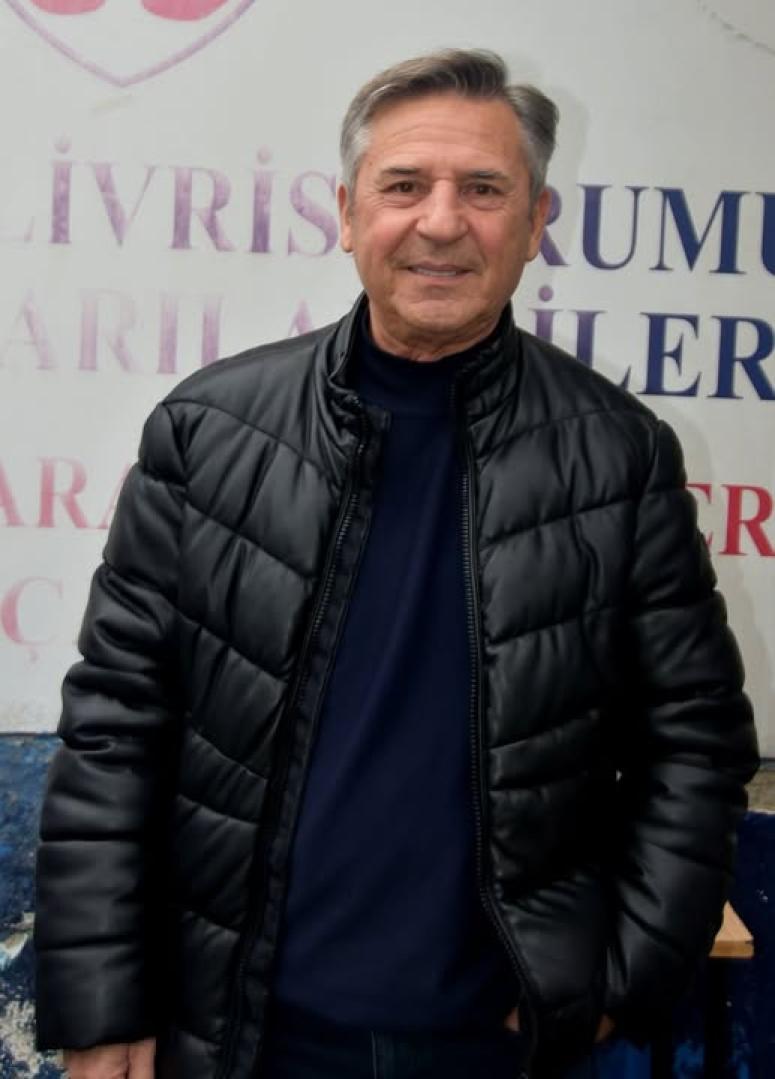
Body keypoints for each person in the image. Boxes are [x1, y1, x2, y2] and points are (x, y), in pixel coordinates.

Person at [34, 49, 758, 1079]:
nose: (440, 222)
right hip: (239, 1035)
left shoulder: (618, 456)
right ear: (346, 212)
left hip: (492, 1046)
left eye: (484, 190)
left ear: (536, 221)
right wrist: (102, 1011)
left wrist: (614, 984)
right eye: (405, 185)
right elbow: (115, 730)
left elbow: (694, 743)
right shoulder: (207, 434)